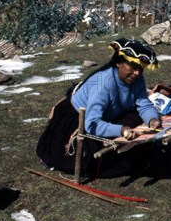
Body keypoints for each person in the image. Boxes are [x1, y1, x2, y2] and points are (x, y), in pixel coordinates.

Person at [36, 37, 162, 178]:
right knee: (100, 162)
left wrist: (152, 119)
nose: (137, 73)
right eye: (132, 67)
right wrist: (121, 130)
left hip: (108, 116)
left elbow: (143, 104)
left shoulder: (136, 79)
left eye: (140, 69)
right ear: (118, 63)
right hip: (79, 123)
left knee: (137, 121)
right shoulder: (103, 84)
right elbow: (91, 124)